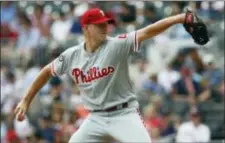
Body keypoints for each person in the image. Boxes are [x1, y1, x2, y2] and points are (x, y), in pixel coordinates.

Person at [14, 8, 197, 142]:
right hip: (95, 118)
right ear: (86, 28)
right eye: (99, 25)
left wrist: (180, 18)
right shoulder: (72, 55)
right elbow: (46, 71)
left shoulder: (116, 45)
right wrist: (25, 100)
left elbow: (148, 31)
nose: (105, 27)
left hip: (124, 113)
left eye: (106, 24)